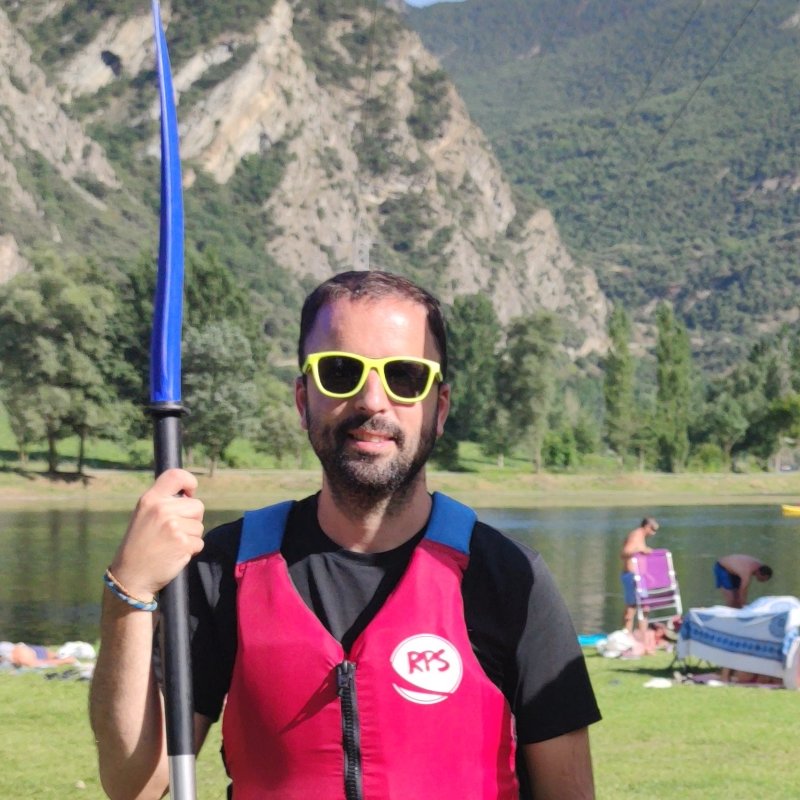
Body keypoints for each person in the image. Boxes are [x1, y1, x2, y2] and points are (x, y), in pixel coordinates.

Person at [89, 270, 601, 799]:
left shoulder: (511, 578)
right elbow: (134, 785)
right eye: (340, 372)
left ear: (440, 408)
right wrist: (129, 591)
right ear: (302, 399)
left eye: (405, 377)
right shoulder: (224, 568)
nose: (372, 400)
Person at [619, 517, 659, 632]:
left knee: (645, 607)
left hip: (640, 577)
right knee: (631, 608)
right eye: (653, 529)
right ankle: (627, 634)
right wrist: (640, 550)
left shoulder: (641, 537)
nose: (654, 533)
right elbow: (624, 552)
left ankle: (642, 635)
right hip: (631, 576)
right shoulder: (636, 535)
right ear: (646, 526)